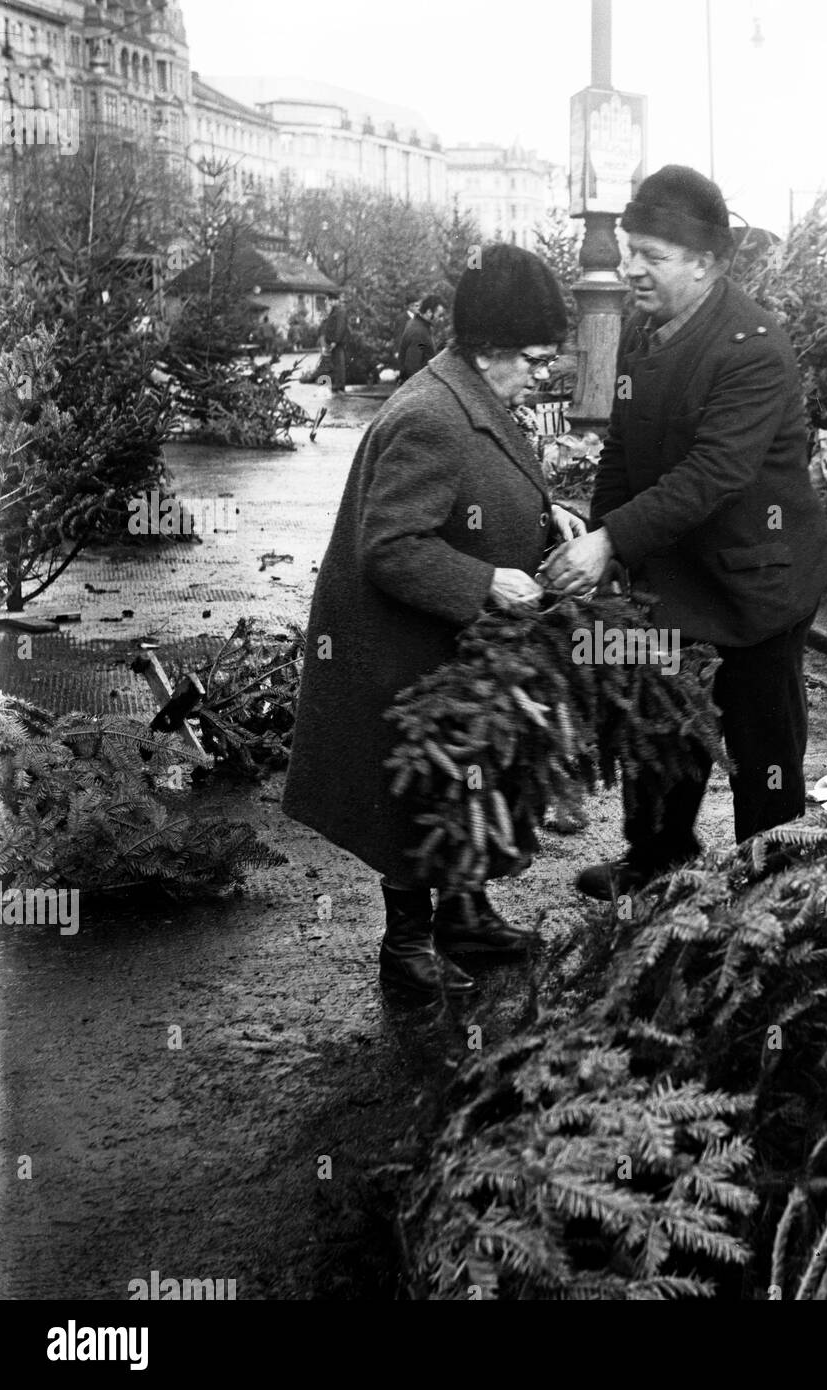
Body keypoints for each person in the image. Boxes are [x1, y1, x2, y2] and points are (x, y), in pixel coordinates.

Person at [283, 245, 584, 996]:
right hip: (400, 646)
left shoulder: (469, 396)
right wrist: (485, 582)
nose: (542, 373)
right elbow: (391, 546)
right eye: (536, 358)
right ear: (491, 349)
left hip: (438, 640)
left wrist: (552, 518)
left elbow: (483, 494)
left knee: (464, 783)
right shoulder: (432, 416)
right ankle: (407, 947)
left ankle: (464, 915)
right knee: (417, 791)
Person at [541, 165, 827, 900]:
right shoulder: (650, 332)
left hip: (756, 584)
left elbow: (714, 474)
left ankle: (769, 883)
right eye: (631, 250)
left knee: (761, 744)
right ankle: (657, 858)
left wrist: (611, 543)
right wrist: (608, 540)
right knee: (660, 720)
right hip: (672, 574)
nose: (631, 267)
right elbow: (624, 446)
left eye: (651, 255)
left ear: (704, 263)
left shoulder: (753, 347)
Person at [397, 294, 447, 383]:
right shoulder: (419, 332)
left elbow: (423, 351)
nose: (441, 319)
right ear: (429, 312)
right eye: (439, 315)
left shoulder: (418, 325)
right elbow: (412, 369)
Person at [318, 292, 350, 393]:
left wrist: (335, 341)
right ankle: (338, 384)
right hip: (334, 342)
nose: (327, 302)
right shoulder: (336, 310)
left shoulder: (339, 311)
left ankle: (339, 385)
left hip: (337, 343)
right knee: (336, 363)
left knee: (339, 364)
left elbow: (340, 327)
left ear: (333, 300)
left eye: (328, 300)